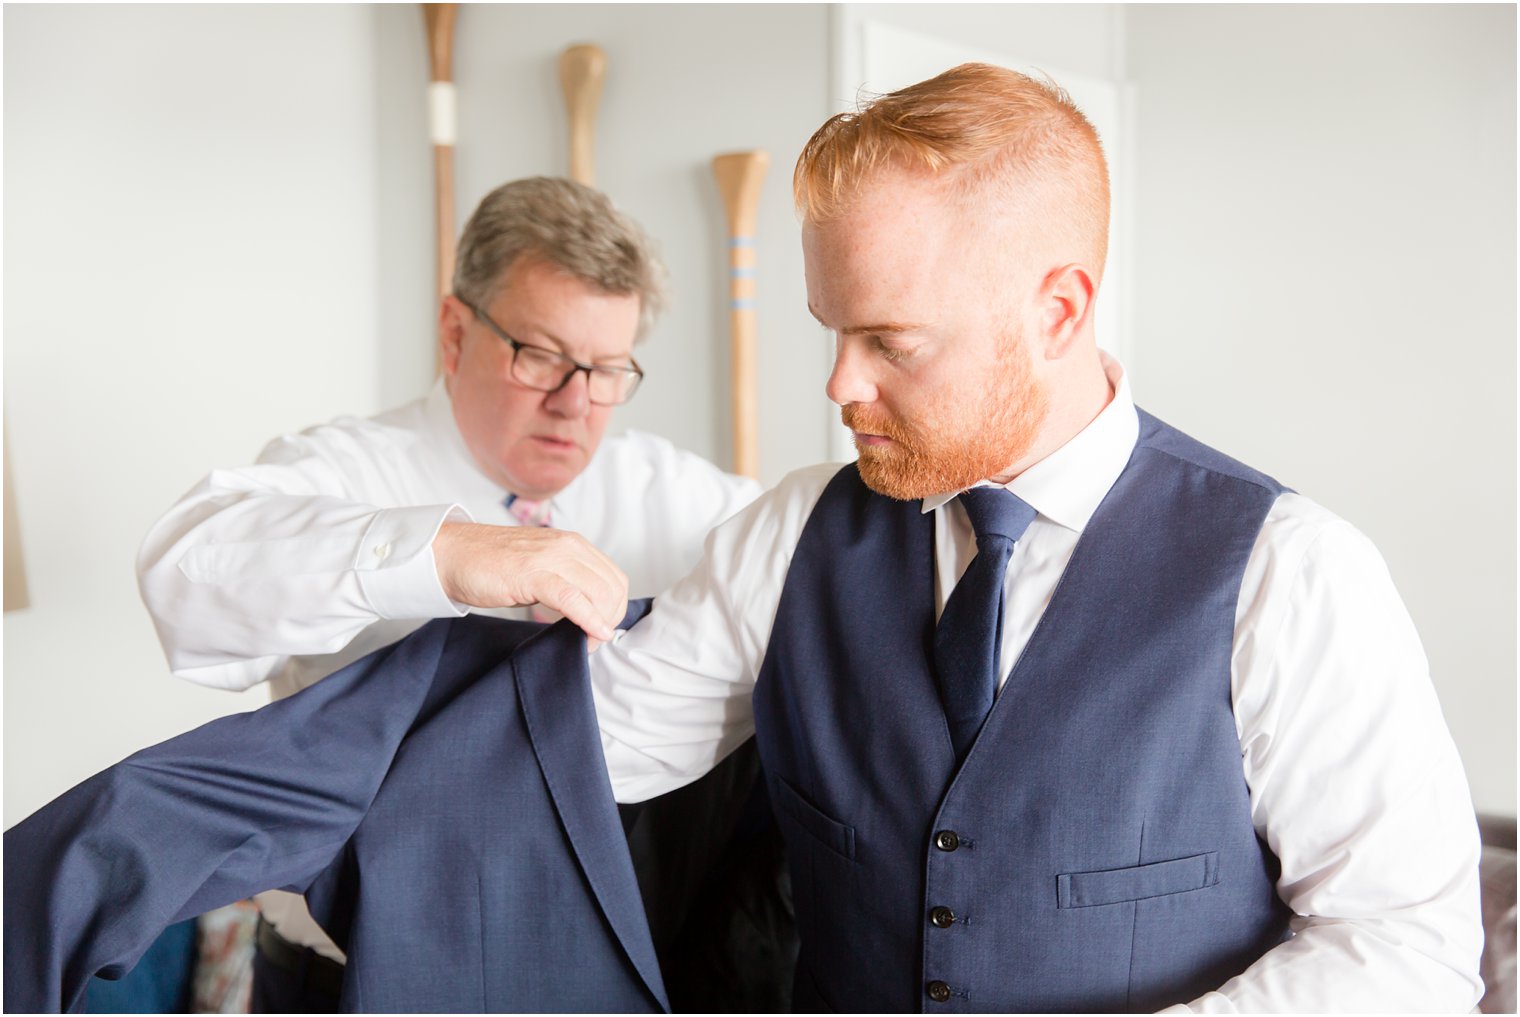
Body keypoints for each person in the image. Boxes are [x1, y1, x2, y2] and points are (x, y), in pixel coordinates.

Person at [582, 64, 1484, 1011]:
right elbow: (570, 754)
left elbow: (1406, 945)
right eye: (832, 332)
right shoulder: (789, 536)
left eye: (892, 342)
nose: (840, 384)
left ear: (1057, 312)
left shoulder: (1290, 571)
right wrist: (428, 554)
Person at [136, 177, 785, 1011]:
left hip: (580, 978)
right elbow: (185, 569)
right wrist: (442, 553)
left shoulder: (670, 493)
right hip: (345, 981)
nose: (576, 403)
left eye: (607, 369)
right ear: (454, 332)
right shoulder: (349, 470)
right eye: (543, 355)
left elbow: (803, 564)